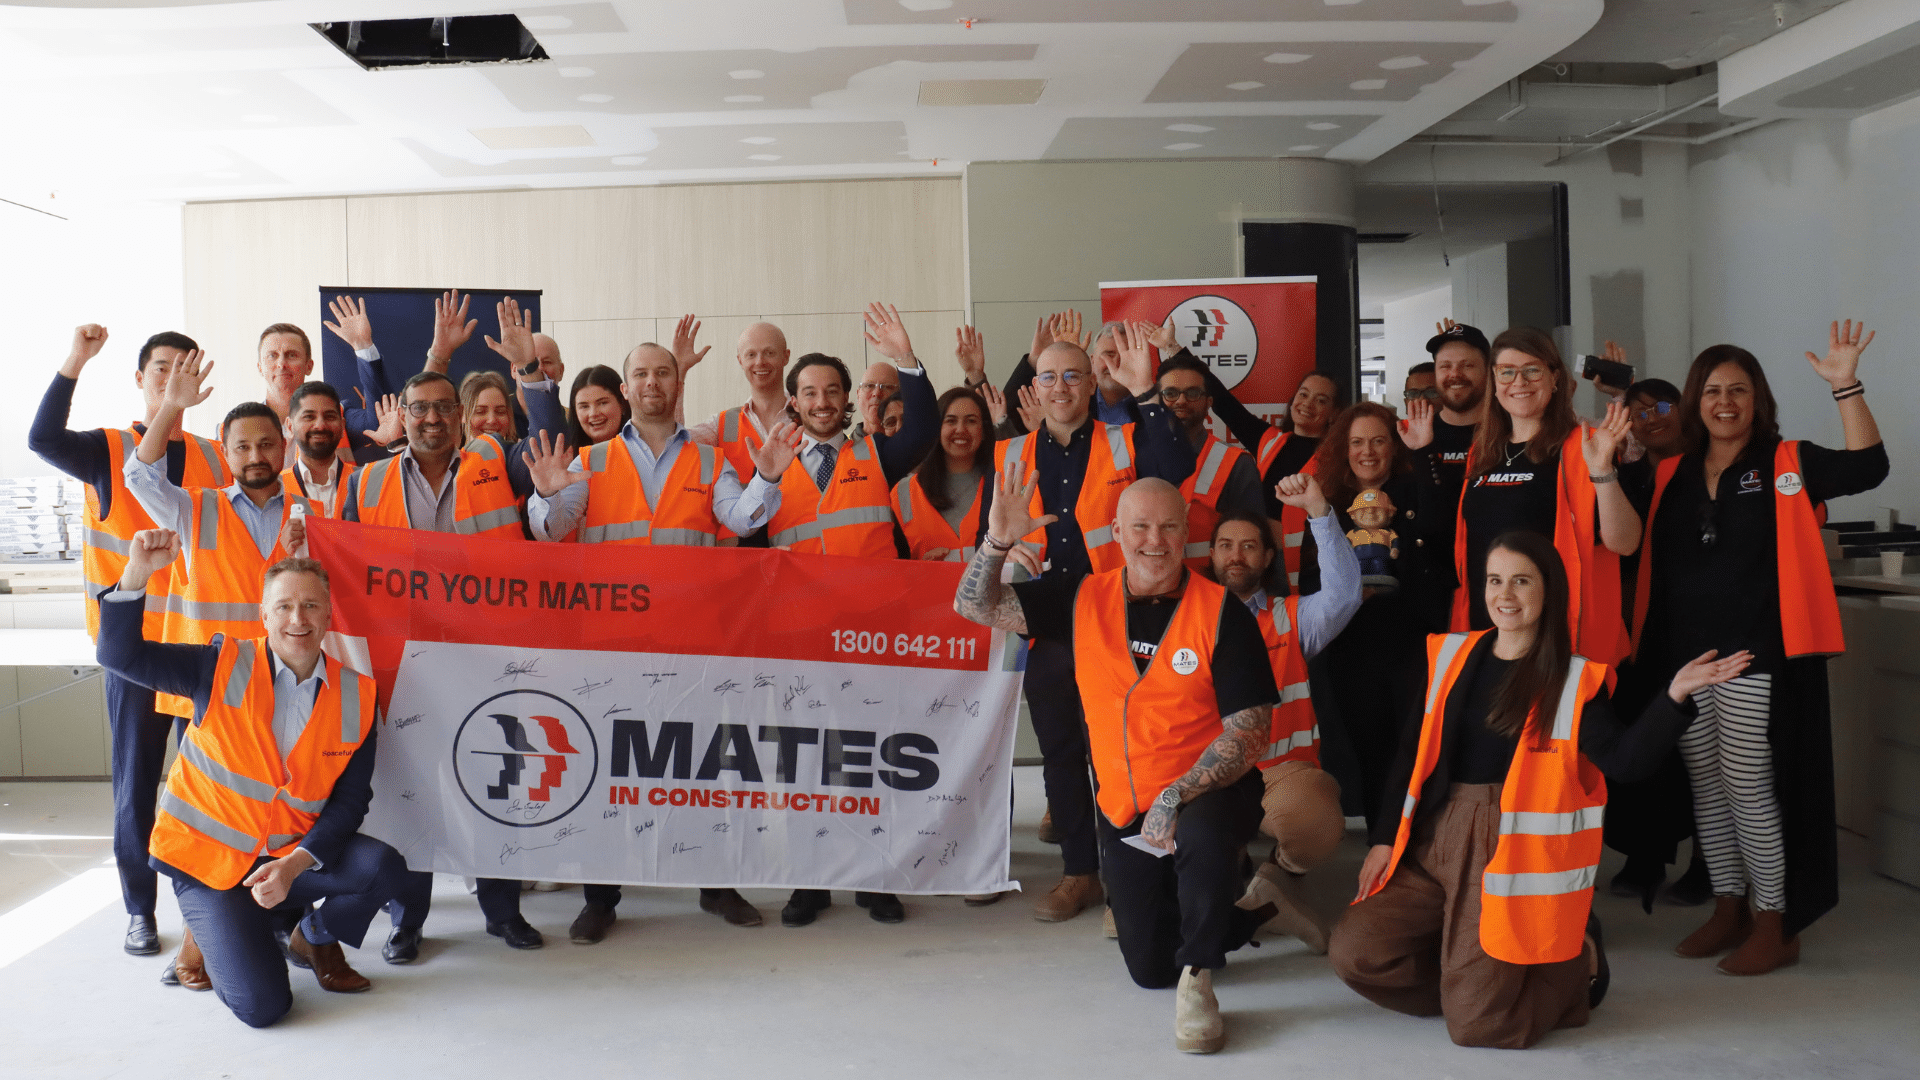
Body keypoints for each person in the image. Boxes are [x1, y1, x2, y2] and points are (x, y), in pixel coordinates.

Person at [1330, 531, 1752, 1049]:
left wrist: (1674, 697)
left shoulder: (1572, 681)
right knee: (1357, 953)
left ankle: (1575, 969)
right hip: (1433, 841)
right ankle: (1471, 980)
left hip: (1510, 857)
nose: (1505, 594)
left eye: (1522, 581)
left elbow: (1627, 763)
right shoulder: (1451, 657)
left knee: (1479, 1027)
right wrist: (1380, 838)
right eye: (1495, 580)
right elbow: (1410, 755)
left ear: (1548, 591)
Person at [954, 475, 1279, 1053]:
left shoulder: (1222, 612)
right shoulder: (1081, 596)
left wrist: (1178, 795)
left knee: (1202, 840)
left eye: (1169, 527)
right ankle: (1245, 907)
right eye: (1140, 528)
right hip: (1125, 805)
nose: (1155, 540)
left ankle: (1200, 981)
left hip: (1207, 791)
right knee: (1148, 967)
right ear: (1118, 535)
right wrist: (996, 542)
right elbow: (973, 604)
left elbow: (1250, 732)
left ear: (1187, 534)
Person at [1628, 325, 1888, 976]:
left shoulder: (1787, 461)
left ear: (1757, 400)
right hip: (1688, 661)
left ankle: (1776, 919)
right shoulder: (1671, 476)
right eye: (1712, 390)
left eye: (1738, 390)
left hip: (1758, 655)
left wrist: (1845, 386)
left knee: (1748, 787)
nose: (1724, 401)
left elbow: (1869, 466)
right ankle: (1728, 906)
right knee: (1708, 788)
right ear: (1695, 401)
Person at [525, 340, 792, 936]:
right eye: (640, 374)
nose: (652, 383)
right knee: (607, 770)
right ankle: (600, 897)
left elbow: (742, 518)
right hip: (611, 649)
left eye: (662, 373)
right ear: (626, 389)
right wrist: (545, 496)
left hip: (691, 644)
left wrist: (767, 477)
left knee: (703, 769)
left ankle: (716, 885)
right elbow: (550, 531)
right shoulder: (588, 464)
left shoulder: (710, 460)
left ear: (678, 384)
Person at [95, 530, 410, 1027]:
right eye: (283, 607)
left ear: (330, 614)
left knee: (386, 867)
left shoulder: (359, 695)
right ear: (263, 615)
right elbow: (120, 656)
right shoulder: (217, 664)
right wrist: (136, 573)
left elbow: (350, 804)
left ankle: (314, 937)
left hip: (288, 861)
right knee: (264, 1009)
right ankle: (212, 928)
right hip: (210, 864)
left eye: (310, 606)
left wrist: (291, 867)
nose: (297, 619)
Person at [341, 296, 566, 960]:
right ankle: (407, 921)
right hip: (400, 670)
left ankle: (502, 911)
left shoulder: (501, 467)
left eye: (445, 408)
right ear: (402, 418)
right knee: (408, 800)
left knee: (493, 785)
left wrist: (530, 375)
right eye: (420, 409)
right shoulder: (368, 483)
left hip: (486, 664)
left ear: (463, 418)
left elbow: (549, 436)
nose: (433, 418)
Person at [28, 325, 230, 958]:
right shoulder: (108, 451)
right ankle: (140, 910)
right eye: (160, 369)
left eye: (183, 369)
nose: (172, 379)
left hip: (198, 647)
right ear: (141, 379)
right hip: (137, 652)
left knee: (213, 781)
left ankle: (214, 907)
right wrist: (76, 360)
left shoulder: (213, 455)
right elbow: (42, 439)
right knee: (137, 785)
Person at [992, 323, 1197, 924]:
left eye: (1072, 375)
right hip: (1046, 617)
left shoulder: (1127, 438)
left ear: (1090, 383)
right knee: (1060, 747)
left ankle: (1132, 872)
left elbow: (1174, 468)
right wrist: (1007, 551)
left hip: (1115, 612)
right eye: (1048, 377)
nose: (1060, 387)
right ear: (1036, 385)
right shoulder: (1011, 452)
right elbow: (994, 530)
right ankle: (1080, 872)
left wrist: (1148, 392)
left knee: (1126, 747)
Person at [1407, 327, 1640, 667]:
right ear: (1494, 382)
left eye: (1532, 370)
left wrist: (1602, 470)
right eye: (1507, 372)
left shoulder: (1582, 446)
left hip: (1557, 643)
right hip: (1486, 637)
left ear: (1554, 377)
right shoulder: (1481, 454)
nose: (1519, 382)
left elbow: (1625, 542)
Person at [1206, 498, 1362, 955]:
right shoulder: (1186, 617)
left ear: (1268, 557)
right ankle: (1246, 890)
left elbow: (1344, 595)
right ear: (1211, 554)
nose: (1237, 555)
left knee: (1315, 822)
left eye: (1250, 546)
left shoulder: (1292, 618)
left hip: (1281, 773)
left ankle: (1278, 878)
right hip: (1209, 772)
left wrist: (1319, 513)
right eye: (1226, 545)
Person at [1304, 402, 1435, 834]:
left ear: (1393, 446)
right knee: (1372, 752)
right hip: (1352, 652)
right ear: (1344, 449)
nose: (1368, 451)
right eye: (1357, 442)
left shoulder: (1417, 493)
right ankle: (1382, 845)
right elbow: (1314, 584)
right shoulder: (1328, 507)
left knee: (1416, 750)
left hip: (1415, 646)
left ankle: (1421, 848)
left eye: (1378, 440)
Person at [1603, 374, 1703, 906]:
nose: (1653, 415)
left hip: (1704, 628)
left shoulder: (1711, 467)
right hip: (1641, 632)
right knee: (1646, 746)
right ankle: (1645, 858)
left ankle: (1712, 866)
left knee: (1705, 756)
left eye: (1663, 404)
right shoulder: (1631, 474)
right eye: (1639, 410)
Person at [1151, 324, 1343, 588]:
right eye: (1303, 394)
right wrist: (1173, 349)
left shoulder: (1338, 459)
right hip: (1253, 564)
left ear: (1334, 412)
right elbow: (1220, 399)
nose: (1308, 404)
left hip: (1307, 571)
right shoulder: (1269, 440)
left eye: (1321, 400)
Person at [757, 303, 937, 560]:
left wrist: (904, 357)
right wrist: (762, 558)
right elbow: (748, 532)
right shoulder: (772, 466)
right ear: (794, 402)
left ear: (845, 397)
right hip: (800, 598)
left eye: (831, 391)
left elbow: (923, 430)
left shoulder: (878, 454)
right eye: (810, 393)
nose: (822, 403)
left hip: (872, 598)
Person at [1156, 354, 1264, 570]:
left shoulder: (1236, 465)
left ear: (1209, 402)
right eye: (1170, 393)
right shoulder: (1133, 459)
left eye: (1193, 393)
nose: (1181, 401)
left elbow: (1253, 546)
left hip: (1211, 596)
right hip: (1147, 594)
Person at [892, 386, 1007, 565]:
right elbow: (893, 563)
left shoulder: (1003, 484)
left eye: (971, 421)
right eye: (951, 421)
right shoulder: (904, 492)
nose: (960, 429)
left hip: (989, 592)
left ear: (984, 431)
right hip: (926, 591)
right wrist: (918, 567)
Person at [281, 382, 379, 518]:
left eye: (329, 416)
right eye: (309, 417)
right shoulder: (273, 489)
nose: (320, 425)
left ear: (342, 426)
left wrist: (396, 444)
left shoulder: (367, 483)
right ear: (290, 426)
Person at [565, 364, 631, 451]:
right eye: (584, 406)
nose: (593, 413)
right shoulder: (568, 457)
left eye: (603, 403)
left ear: (622, 404)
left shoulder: (641, 451)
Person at [459, 370, 518, 444]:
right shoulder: (449, 454)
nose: (492, 420)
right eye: (480, 411)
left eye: (500, 412)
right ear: (462, 414)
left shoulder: (523, 454)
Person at [851, 360, 900, 440]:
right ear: (858, 394)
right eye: (869, 386)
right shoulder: (842, 449)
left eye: (886, 387)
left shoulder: (916, 447)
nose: (877, 393)